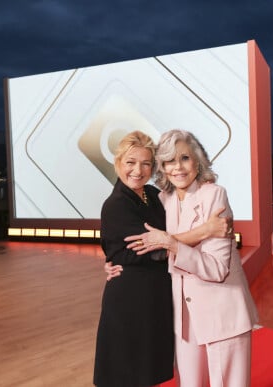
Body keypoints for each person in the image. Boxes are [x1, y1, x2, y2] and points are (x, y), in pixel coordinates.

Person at [93, 131, 231, 387]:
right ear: (118, 163)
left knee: (146, 372)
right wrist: (206, 230)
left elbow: (167, 238)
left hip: (155, 297)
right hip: (130, 300)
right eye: (131, 162)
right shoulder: (116, 205)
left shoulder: (153, 196)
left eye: (146, 163)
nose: (138, 170)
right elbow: (157, 247)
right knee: (128, 372)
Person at [124, 129, 258, 387]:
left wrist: (172, 243)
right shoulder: (163, 200)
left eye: (184, 158)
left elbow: (218, 269)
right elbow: (149, 246)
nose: (178, 168)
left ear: (198, 160)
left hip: (222, 307)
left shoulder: (214, 195)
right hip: (183, 316)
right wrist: (116, 264)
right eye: (169, 161)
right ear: (162, 167)